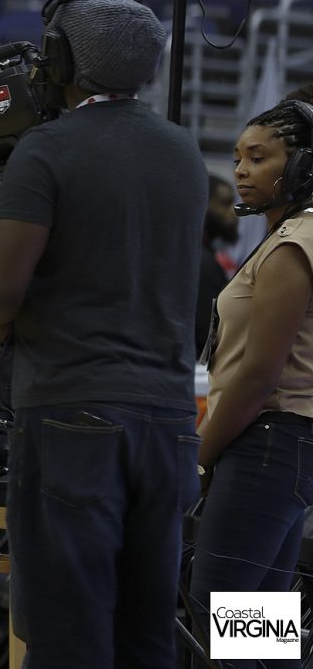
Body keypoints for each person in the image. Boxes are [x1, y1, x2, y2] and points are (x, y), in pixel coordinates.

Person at [0, 0, 206, 668]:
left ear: (63, 59)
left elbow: (0, 285)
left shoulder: (49, 149)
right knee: (147, 633)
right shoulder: (186, 153)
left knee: (69, 630)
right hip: (167, 421)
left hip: (75, 408)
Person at [190, 101, 313, 660]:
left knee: (219, 626)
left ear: (303, 165)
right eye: (238, 157)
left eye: (259, 158)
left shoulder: (293, 246)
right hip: (284, 449)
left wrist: (202, 457)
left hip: (268, 445)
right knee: (257, 632)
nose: (241, 170)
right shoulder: (289, 235)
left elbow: (260, 373)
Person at [196, 173, 239, 355]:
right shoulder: (202, 263)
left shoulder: (205, 256)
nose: (233, 212)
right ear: (202, 205)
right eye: (224, 204)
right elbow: (209, 336)